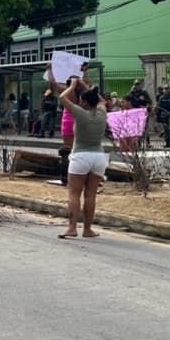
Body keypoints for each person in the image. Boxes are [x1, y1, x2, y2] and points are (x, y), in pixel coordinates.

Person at [58, 77, 108, 239]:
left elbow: (62, 98)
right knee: (90, 195)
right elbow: (101, 100)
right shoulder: (101, 113)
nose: (79, 102)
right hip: (99, 157)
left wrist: (73, 85)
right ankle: (88, 229)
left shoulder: (80, 114)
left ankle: (72, 227)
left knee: (74, 193)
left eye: (81, 99)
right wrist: (85, 86)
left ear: (85, 102)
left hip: (80, 156)